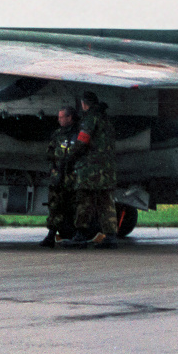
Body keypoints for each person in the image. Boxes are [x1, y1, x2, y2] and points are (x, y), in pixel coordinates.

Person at [63, 90, 118, 249]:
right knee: (106, 202)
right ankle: (111, 236)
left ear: (84, 103)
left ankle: (80, 235)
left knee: (84, 201)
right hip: (107, 168)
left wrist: (70, 157)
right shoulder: (106, 119)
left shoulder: (90, 119)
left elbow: (83, 140)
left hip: (91, 169)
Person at [40, 106, 79, 248]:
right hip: (58, 175)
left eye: (62, 117)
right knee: (55, 205)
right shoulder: (57, 134)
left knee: (73, 205)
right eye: (59, 117)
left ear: (69, 118)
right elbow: (49, 152)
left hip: (72, 175)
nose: (59, 120)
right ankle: (51, 235)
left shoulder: (78, 133)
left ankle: (75, 235)